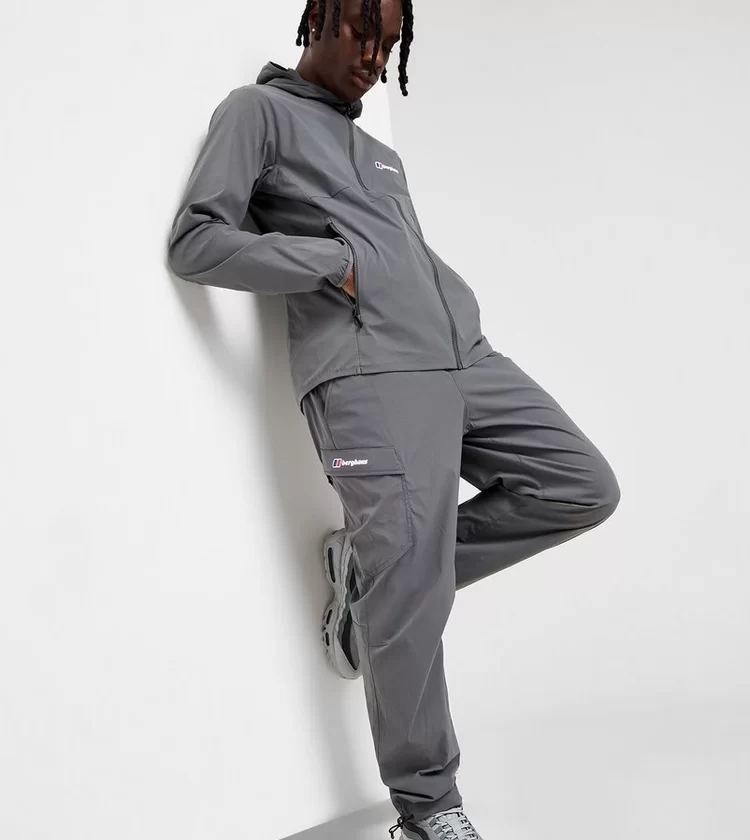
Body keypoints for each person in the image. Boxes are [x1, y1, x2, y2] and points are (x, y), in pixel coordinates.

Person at [166, 1, 621, 838]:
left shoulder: (382, 152)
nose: (375, 56)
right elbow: (196, 240)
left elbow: (397, 254)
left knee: (581, 487)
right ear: (318, 21)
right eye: (363, 34)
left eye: (390, 42)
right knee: (407, 583)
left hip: (463, 358)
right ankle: (428, 809)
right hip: (369, 373)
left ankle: (373, 580)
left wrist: (448, 299)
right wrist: (332, 264)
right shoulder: (257, 112)